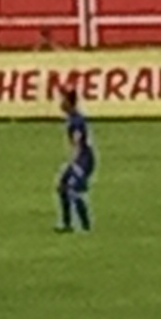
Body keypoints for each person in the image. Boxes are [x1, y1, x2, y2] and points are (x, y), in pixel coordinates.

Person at [58, 92, 98, 233]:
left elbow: (78, 144)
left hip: (84, 160)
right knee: (62, 186)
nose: (60, 103)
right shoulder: (74, 118)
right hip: (81, 158)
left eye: (63, 100)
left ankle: (86, 226)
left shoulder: (76, 121)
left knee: (73, 190)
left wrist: (73, 164)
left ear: (70, 103)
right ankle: (67, 224)